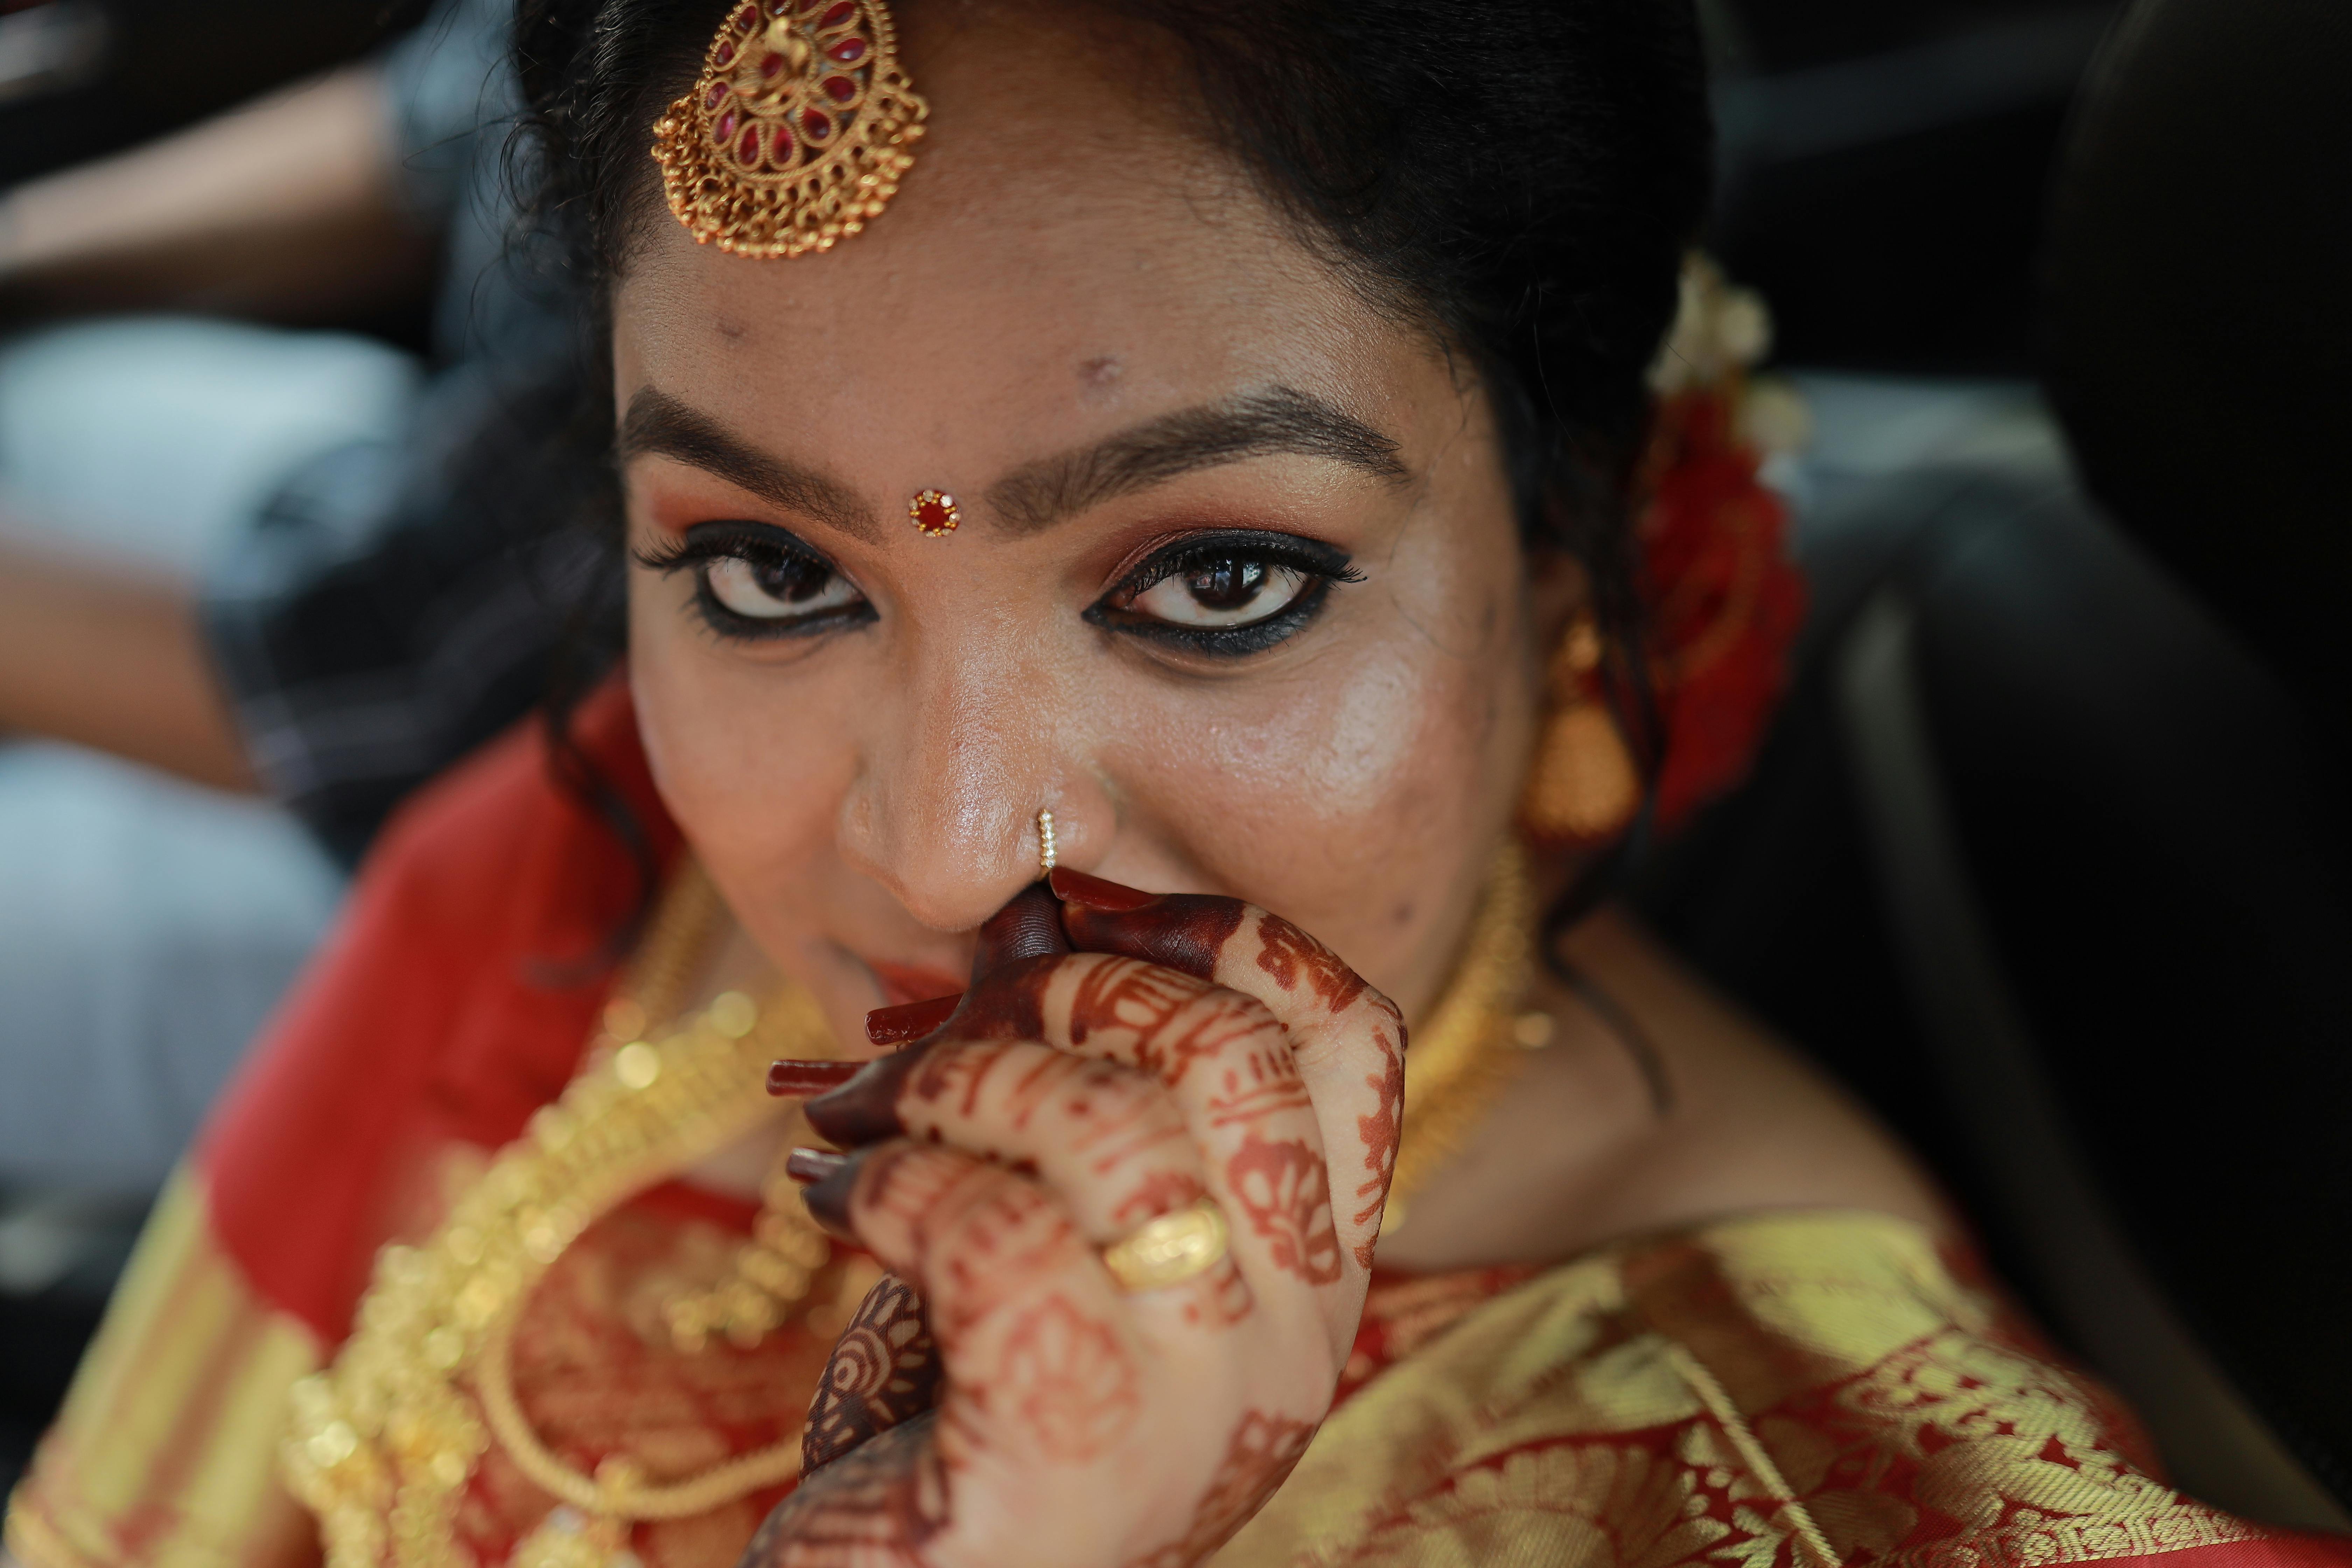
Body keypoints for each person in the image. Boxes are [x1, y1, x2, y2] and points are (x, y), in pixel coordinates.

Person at [7, 1, 2346, 1564]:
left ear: (1571, 575)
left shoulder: (1827, 1488)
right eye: (763, 569)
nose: (937, 850)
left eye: (1216, 580)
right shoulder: (581, 855)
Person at [0, 0, 583, 1195]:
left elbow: (385, 695)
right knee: (35, 402)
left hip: (525, 855)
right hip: (412, 524)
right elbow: (431, 112)